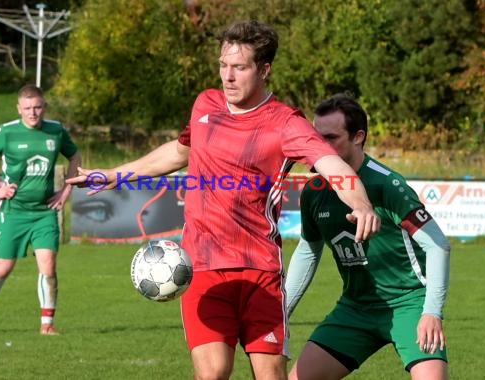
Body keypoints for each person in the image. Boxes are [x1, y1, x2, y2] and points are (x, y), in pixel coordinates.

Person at [67, 21, 380, 379]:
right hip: (202, 267)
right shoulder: (206, 104)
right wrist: (114, 175)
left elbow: (332, 165)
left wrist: (361, 203)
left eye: (240, 67)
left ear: (264, 70)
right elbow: (179, 152)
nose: (228, 77)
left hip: (261, 272)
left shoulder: (285, 123)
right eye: (223, 65)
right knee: (213, 372)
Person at [285, 94, 451, 380]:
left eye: (331, 138)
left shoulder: (387, 184)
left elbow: (439, 246)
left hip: (408, 304)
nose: (319, 148)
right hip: (355, 308)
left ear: (358, 137)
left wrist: (431, 312)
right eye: (316, 138)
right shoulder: (313, 190)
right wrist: (282, 311)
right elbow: (308, 250)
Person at [0, 84, 81, 335]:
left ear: (44, 107)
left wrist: (66, 191)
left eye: (38, 107)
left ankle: (47, 325)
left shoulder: (56, 131)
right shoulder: (7, 133)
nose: (33, 112)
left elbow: (75, 156)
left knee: (48, 266)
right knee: (3, 269)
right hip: (14, 211)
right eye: (28, 108)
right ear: (19, 109)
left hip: (44, 212)